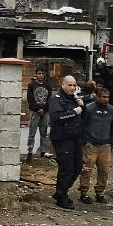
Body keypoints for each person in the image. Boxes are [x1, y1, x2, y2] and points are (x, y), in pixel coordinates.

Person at [48, 74, 85, 210]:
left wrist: (81, 106)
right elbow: (56, 117)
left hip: (75, 138)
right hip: (63, 138)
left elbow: (82, 116)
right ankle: (61, 196)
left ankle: (61, 191)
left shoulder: (75, 99)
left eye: (74, 85)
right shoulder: (56, 99)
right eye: (69, 85)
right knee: (66, 168)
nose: (72, 87)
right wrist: (74, 112)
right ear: (63, 85)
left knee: (77, 167)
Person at [78, 85, 113, 204]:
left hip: (105, 146)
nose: (106, 99)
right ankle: (83, 193)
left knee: (104, 170)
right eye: (104, 97)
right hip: (91, 145)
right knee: (86, 170)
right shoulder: (89, 109)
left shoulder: (112, 110)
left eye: (108, 97)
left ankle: (99, 193)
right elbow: (83, 125)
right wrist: (85, 141)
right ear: (98, 97)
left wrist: (111, 142)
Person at [26, 68, 53, 161]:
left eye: (42, 73)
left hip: (45, 112)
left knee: (44, 132)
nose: (41, 75)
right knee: (32, 132)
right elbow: (30, 99)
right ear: (36, 74)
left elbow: (49, 99)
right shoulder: (31, 85)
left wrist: (44, 109)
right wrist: (37, 109)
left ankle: (43, 151)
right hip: (35, 111)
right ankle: (30, 151)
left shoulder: (48, 86)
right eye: (39, 73)